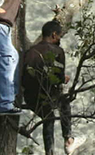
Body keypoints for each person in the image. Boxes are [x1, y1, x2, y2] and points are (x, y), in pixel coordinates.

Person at [23, 20, 87, 155]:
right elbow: (57, 77)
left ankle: (49, 152)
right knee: (64, 102)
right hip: (48, 94)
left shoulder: (31, 51)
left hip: (30, 96)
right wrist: (63, 79)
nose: (59, 39)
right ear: (53, 35)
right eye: (59, 36)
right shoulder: (57, 51)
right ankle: (68, 139)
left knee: (48, 117)